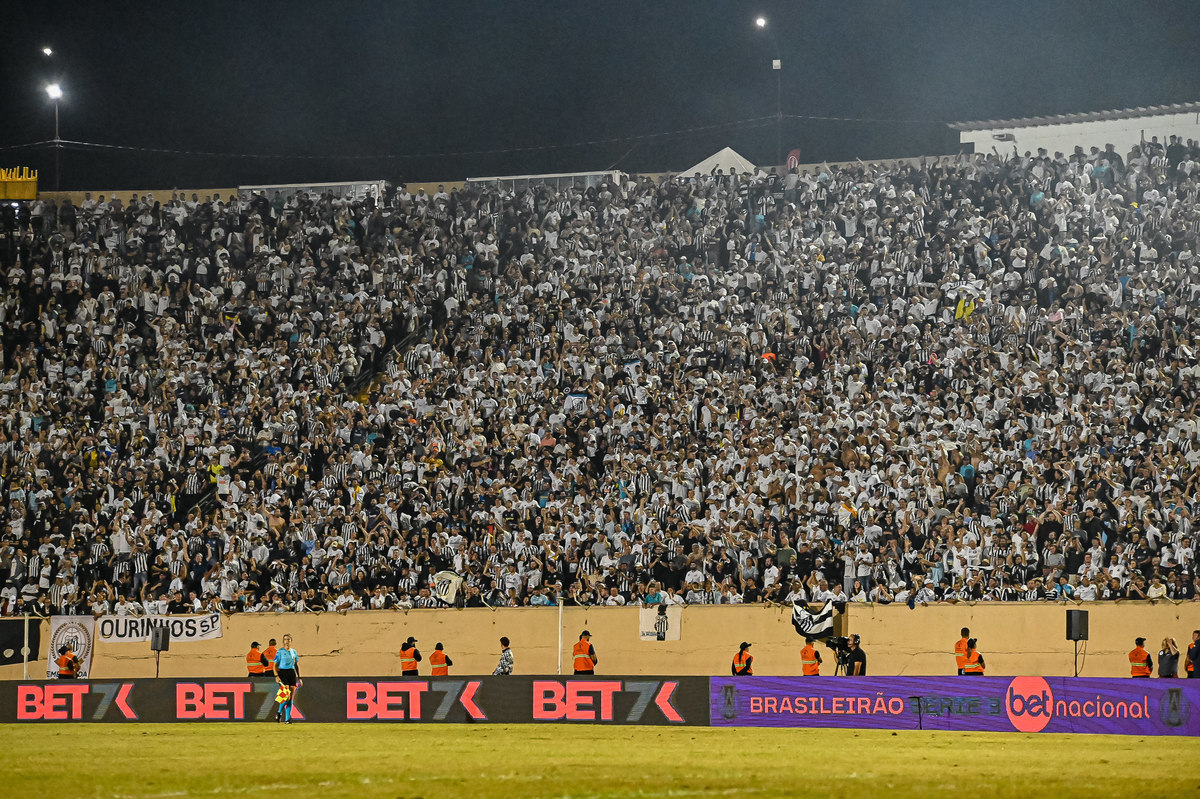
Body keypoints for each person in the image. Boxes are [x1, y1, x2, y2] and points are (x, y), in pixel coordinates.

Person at [273, 633, 301, 723]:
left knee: (291, 696)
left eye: (288, 639)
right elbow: (274, 665)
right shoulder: (280, 652)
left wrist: (299, 677)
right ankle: (279, 712)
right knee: (286, 696)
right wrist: (276, 675)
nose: (287, 641)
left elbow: (296, 665)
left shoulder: (294, 652)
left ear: (291, 641)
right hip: (283, 673)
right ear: (283, 641)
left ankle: (287, 719)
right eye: (285, 639)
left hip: (292, 673)